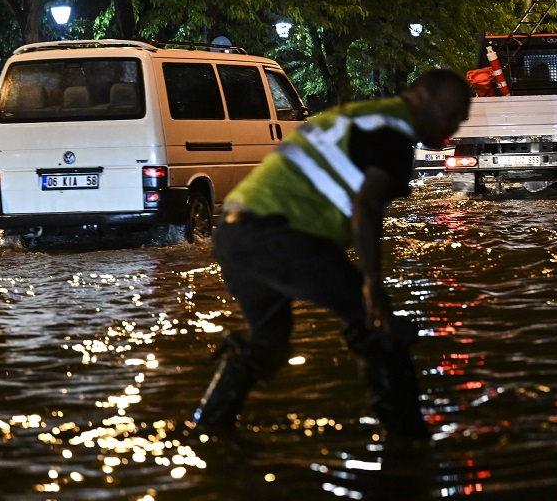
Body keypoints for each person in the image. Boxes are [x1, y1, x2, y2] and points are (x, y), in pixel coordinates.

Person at [189, 68, 471, 438]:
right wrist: (372, 284)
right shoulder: (392, 132)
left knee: (269, 342)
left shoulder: (360, 115)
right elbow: (367, 208)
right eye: (450, 115)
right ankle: (407, 442)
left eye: (460, 120)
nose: (452, 128)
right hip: (279, 235)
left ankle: (209, 429)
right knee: (375, 323)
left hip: (233, 233)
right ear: (421, 97)